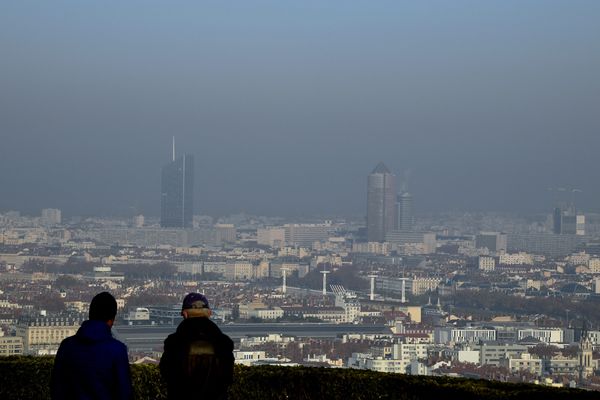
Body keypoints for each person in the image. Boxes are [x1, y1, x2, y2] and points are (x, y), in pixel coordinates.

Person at [51, 291, 132, 400]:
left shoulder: (67, 346)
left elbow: (57, 388)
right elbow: (124, 393)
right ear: (111, 320)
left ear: (90, 314)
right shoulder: (118, 350)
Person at [160, 293, 234, 400]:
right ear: (209, 313)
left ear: (185, 314)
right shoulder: (223, 343)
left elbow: (166, 374)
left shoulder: (174, 343)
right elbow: (228, 377)